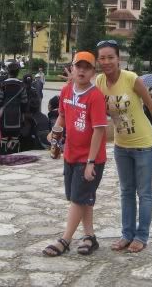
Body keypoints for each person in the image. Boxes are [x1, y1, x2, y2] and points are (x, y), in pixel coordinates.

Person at [95, 40, 152, 254]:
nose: (107, 61)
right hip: (121, 146)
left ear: (118, 59)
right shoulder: (99, 81)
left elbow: (151, 105)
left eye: (111, 57)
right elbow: (97, 108)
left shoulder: (131, 79)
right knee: (126, 191)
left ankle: (141, 236)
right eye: (102, 58)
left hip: (144, 144)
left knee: (144, 192)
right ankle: (127, 234)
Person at [43, 51, 108, 257]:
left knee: (78, 199)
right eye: (78, 66)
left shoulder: (95, 96)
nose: (81, 70)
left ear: (93, 72)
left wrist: (91, 162)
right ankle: (90, 236)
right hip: (70, 154)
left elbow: (99, 130)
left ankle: (65, 240)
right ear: (72, 68)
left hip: (89, 158)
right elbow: (62, 116)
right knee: (82, 197)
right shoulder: (66, 91)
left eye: (87, 67)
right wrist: (54, 133)